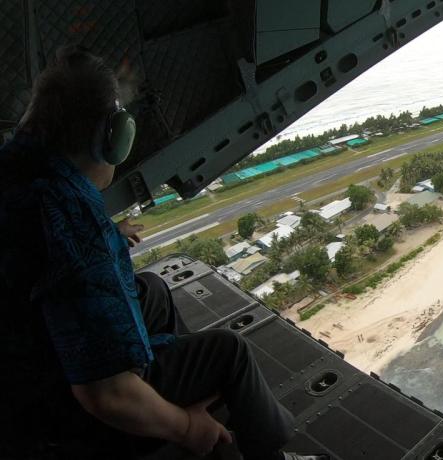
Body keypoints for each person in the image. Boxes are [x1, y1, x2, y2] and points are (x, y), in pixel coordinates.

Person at [0, 46, 327, 460]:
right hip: (53, 413)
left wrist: (109, 233)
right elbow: (106, 395)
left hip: (21, 370)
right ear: (113, 139)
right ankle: (265, 451)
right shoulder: (74, 225)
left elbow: (39, 251)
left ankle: (191, 387)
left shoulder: (22, 172)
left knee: (151, 288)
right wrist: (186, 427)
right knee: (229, 351)